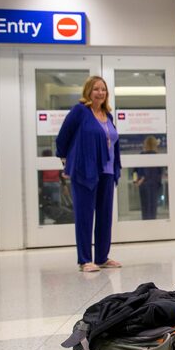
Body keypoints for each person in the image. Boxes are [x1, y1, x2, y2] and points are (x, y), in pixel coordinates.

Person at [56, 76, 123, 272]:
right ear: (88, 91)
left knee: (105, 216)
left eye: (103, 89)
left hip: (108, 171)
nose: (100, 93)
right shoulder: (80, 111)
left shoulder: (107, 115)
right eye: (96, 89)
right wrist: (66, 160)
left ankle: (102, 257)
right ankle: (85, 260)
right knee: (85, 216)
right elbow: (63, 137)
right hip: (85, 171)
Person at [134, 136, 163, 220]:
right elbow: (159, 172)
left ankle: (145, 223)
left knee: (145, 207)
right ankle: (152, 224)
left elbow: (135, 170)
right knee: (153, 208)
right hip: (154, 185)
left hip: (143, 185)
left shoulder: (141, 155)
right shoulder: (157, 156)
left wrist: (136, 181)